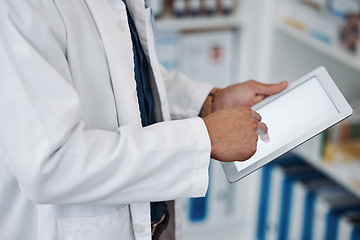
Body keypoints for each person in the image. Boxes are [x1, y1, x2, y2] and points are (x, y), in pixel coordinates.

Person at [0, 0, 288, 240]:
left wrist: (208, 102)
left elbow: (123, 73)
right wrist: (204, 138)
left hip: (150, 225)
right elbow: (51, 163)